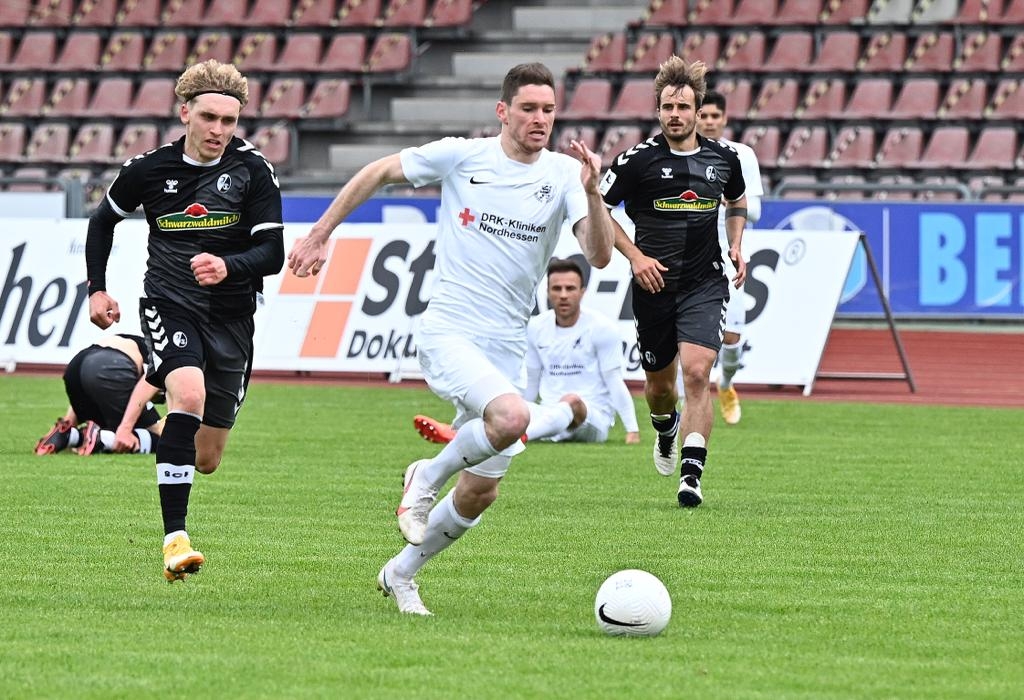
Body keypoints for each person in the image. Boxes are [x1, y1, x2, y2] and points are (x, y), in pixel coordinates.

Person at [288, 63, 615, 615]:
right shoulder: (464, 156)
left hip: (507, 345)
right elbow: (379, 171)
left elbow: (599, 256)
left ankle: (401, 573)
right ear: (503, 111)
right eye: (528, 108)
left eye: (549, 109)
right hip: (451, 330)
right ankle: (427, 474)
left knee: (481, 491)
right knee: (511, 417)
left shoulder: (565, 175)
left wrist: (594, 193)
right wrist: (321, 233)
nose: (540, 119)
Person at [85, 59, 285, 582]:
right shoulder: (148, 169)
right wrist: (97, 288)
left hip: (233, 317)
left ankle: (135, 431)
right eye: (209, 118)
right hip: (169, 302)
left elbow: (273, 252)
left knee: (207, 457)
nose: (218, 130)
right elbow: (103, 222)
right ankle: (175, 541)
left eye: (229, 120)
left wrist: (228, 266)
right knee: (189, 395)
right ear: (185, 114)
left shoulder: (253, 170)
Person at [600, 56, 748, 508]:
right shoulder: (636, 161)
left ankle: (691, 475)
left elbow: (737, 200)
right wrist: (636, 257)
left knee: (698, 373)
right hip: (654, 287)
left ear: (698, 110)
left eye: (683, 107)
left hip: (705, 283)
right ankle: (665, 429)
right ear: (658, 110)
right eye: (668, 107)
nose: (675, 115)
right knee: (661, 390)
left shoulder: (724, 159)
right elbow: (598, 211)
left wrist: (736, 242)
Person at [413, 257, 640, 446]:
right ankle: (459, 431)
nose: (563, 295)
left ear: (582, 292)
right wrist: (518, 410)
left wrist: (632, 430)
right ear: (547, 292)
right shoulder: (536, 327)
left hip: (592, 419)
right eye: (557, 288)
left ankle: (515, 438)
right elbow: (531, 381)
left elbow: (614, 381)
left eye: (570, 288)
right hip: (549, 414)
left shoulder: (602, 328)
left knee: (571, 401)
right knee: (501, 408)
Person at [697, 90, 764, 425]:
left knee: (732, 338)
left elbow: (756, 211)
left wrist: (728, 199)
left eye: (715, 116)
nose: (709, 122)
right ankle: (688, 407)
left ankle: (725, 383)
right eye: (704, 115)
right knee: (687, 341)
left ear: (724, 119)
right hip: (689, 257)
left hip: (728, 256)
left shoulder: (742, 155)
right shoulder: (681, 154)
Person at [34, 333, 163, 457]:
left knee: (110, 422)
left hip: (77, 367)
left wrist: (68, 422)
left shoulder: (139, 343)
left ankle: (71, 436)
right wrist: (126, 428)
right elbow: (148, 382)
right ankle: (101, 438)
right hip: (111, 368)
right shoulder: (168, 356)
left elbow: (91, 378)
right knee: (164, 439)